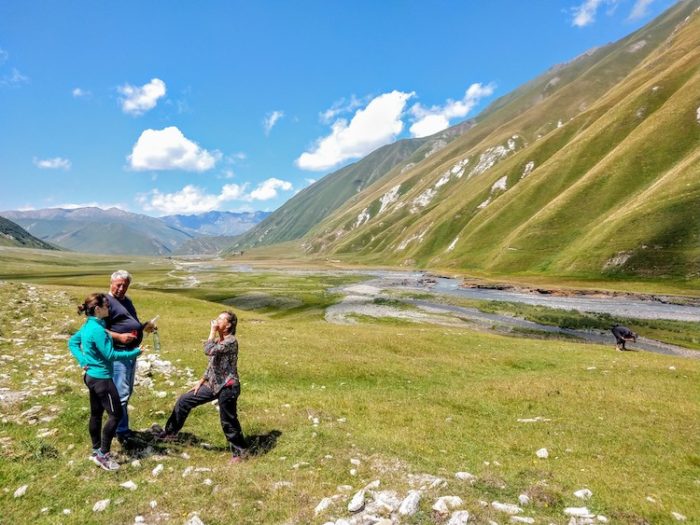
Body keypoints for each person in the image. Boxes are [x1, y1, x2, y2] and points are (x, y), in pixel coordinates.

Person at [158, 311, 248, 463]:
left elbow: (208, 351)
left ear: (229, 325)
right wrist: (202, 380)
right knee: (185, 400)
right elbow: (212, 363)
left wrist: (212, 332)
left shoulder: (231, 341)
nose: (217, 320)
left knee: (228, 420)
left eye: (221, 319)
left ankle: (240, 452)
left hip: (228, 386)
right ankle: (170, 433)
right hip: (213, 384)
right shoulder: (221, 340)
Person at [68, 293, 143, 471]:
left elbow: (72, 342)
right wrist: (134, 353)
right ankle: (103, 455)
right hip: (102, 379)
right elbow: (111, 355)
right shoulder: (98, 331)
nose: (109, 308)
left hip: (91, 377)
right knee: (115, 415)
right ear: (97, 309)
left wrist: (83, 361)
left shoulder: (88, 325)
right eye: (106, 305)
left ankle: (95, 450)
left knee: (96, 414)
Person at [105, 270, 155, 445]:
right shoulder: (106, 302)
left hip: (130, 352)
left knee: (125, 391)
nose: (121, 288)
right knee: (121, 393)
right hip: (118, 353)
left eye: (125, 286)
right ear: (111, 283)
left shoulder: (127, 301)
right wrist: (118, 337)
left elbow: (130, 323)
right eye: (118, 285)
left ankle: (121, 428)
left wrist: (143, 327)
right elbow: (99, 328)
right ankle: (120, 431)